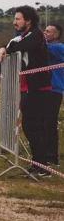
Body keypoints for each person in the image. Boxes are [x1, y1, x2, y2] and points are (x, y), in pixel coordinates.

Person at [0, 6, 54, 177]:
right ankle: (38, 164)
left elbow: (17, 46)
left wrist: (6, 47)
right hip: (26, 87)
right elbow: (12, 44)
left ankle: (42, 166)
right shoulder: (21, 36)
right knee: (29, 126)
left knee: (33, 126)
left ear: (28, 21)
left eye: (18, 19)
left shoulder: (36, 35)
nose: (14, 22)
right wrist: (2, 47)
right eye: (14, 19)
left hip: (38, 88)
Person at [44, 23, 63, 167]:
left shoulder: (58, 48)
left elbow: (42, 47)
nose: (44, 33)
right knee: (42, 123)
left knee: (50, 123)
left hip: (54, 90)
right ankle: (44, 154)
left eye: (47, 31)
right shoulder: (46, 47)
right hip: (45, 89)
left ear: (55, 35)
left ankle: (52, 157)